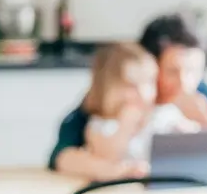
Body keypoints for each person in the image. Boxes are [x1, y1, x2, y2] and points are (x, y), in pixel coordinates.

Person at [48, 12, 207, 172]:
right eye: (172, 71)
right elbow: (62, 153)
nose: (185, 84)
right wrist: (113, 171)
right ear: (148, 65)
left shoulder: (199, 93)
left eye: (194, 71)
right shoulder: (114, 97)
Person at [53, 42, 197, 180]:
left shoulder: (164, 114)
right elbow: (107, 157)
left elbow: (194, 139)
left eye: (148, 82)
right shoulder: (100, 124)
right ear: (107, 89)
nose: (142, 93)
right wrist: (125, 126)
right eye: (131, 86)